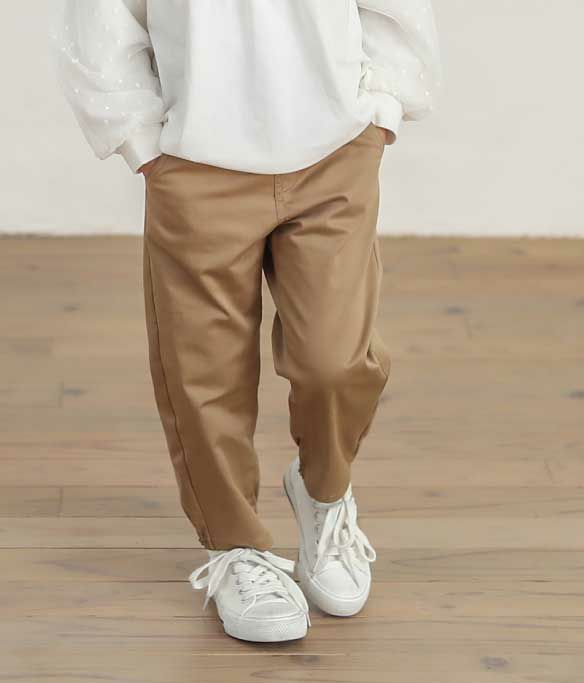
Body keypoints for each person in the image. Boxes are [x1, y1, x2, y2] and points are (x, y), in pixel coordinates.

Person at [52, 0, 441, 643]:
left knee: (336, 359)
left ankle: (324, 491)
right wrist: (140, 140)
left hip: (335, 148)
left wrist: (383, 106)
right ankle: (235, 546)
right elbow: (101, 13)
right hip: (196, 159)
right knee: (202, 374)